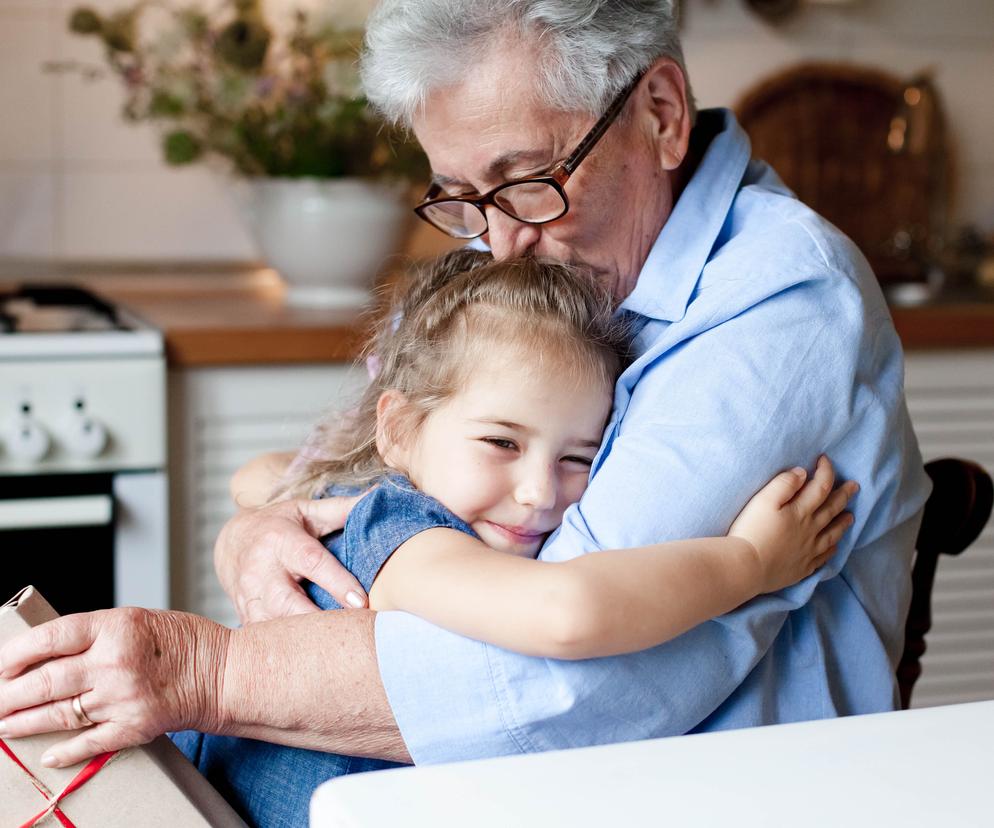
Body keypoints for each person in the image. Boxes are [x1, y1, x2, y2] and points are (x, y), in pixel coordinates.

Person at [0, 0, 929, 811]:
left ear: (661, 114)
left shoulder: (782, 302)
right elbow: (351, 466)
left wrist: (209, 671)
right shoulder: (518, 268)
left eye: (530, 181)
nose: (502, 242)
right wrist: (261, 523)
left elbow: (559, 681)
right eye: (461, 197)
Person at [172, 250, 855, 824]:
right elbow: (567, 613)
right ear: (400, 430)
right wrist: (751, 560)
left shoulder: (381, 505)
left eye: (577, 458)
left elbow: (260, 473)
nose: (537, 491)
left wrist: (273, 497)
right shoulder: (405, 534)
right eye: (502, 441)